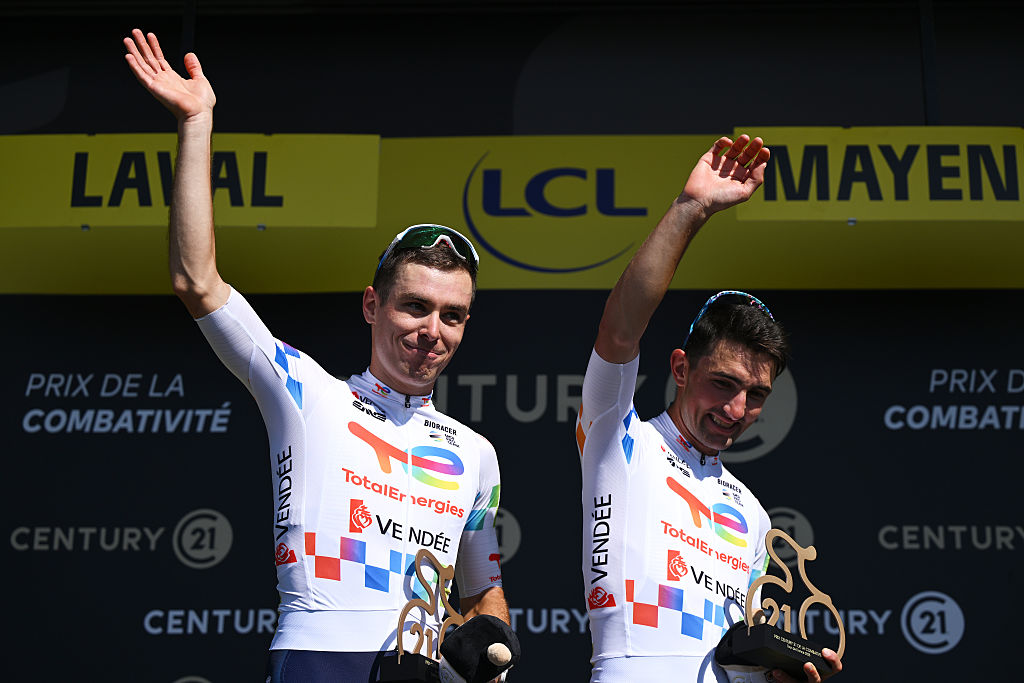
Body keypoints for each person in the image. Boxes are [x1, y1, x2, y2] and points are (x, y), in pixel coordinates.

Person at [123, 29, 510, 682]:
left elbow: (483, 593)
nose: (432, 330)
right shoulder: (308, 393)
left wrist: (487, 646)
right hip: (318, 659)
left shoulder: (476, 453)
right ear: (371, 305)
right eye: (414, 306)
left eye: (452, 315)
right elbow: (197, 280)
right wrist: (197, 123)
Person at [575, 135, 843, 683]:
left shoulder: (752, 513)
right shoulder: (619, 439)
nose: (736, 408)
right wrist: (691, 209)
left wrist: (782, 673)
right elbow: (620, 328)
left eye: (757, 394)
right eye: (722, 383)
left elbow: (738, 658)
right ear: (680, 369)